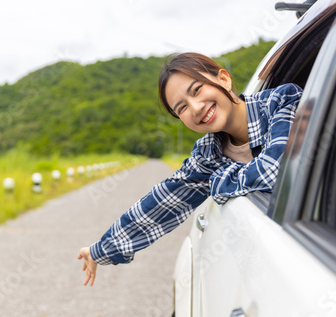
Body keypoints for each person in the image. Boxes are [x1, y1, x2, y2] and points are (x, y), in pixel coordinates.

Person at [77, 52, 303, 286]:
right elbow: (162, 202)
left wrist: (218, 182)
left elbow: (274, 172)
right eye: (181, 108)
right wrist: (99, 250)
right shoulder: (207, 153)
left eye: (196, 90)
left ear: (223, 79)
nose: (195, 108)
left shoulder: (282, 101)